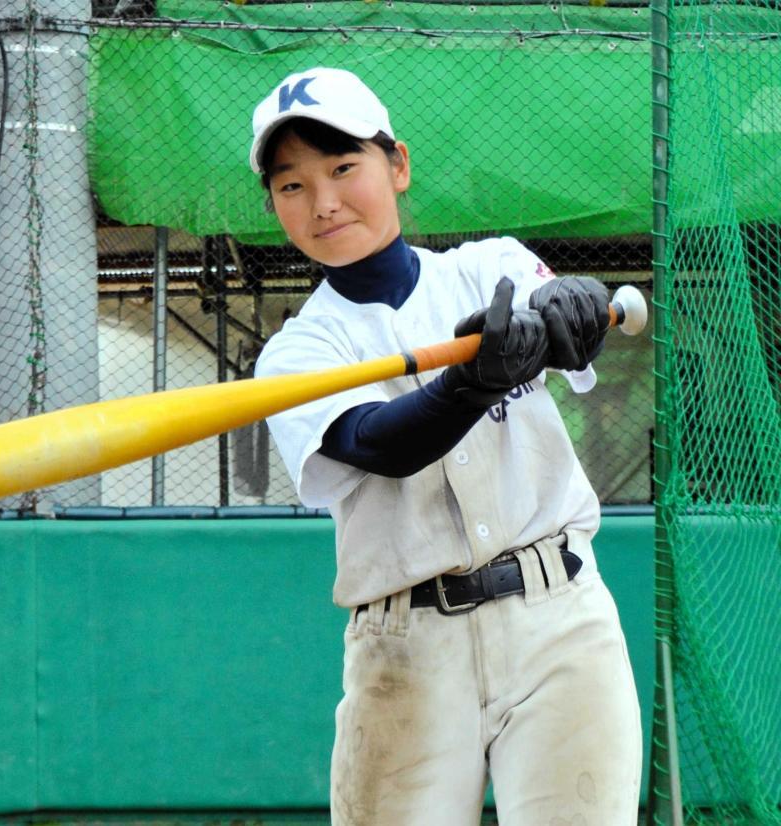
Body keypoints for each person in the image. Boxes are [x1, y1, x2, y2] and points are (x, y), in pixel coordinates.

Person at [249, 67, 642, 826]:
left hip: (559, 617)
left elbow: (554, 316)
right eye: (291, 185)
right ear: (272, 205)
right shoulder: (297, 352)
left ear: (396, 165)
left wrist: (574, 304)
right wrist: (471, 386)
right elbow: (378, 445)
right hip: (406, 646)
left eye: (342, 168)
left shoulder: (487, 268)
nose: (324, 202)